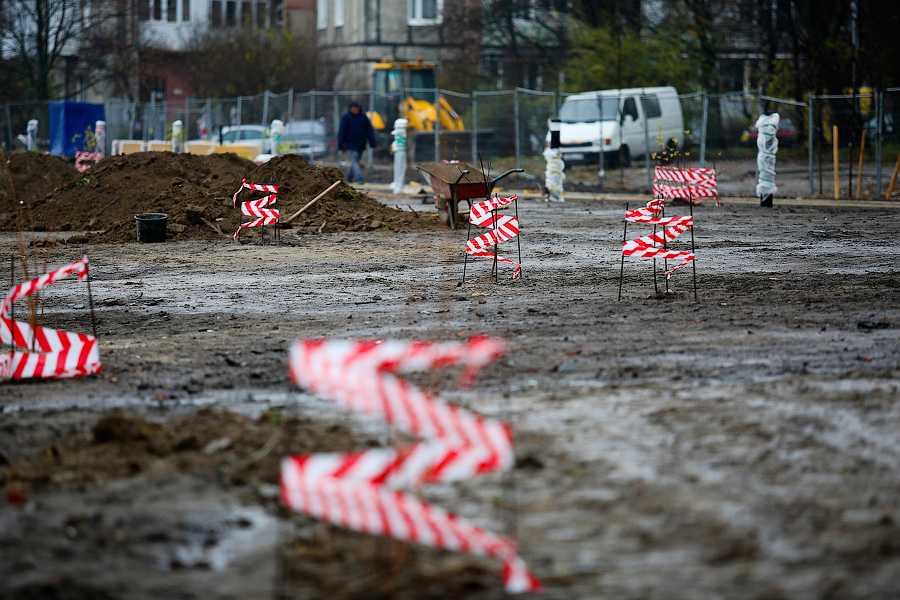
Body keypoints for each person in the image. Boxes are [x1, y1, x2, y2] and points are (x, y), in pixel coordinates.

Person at [337, 101, 377, 183]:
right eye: (353, 109)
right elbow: (342, 132)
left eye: (356, 109)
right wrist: (341, 144)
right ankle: (359, 178)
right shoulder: (346, 117)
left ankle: (348, 177)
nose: (355, 111)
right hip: (350, 144)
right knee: (355, 160)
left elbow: (369, 130)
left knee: (356, 161)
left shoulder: (363, 117)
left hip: (361, 144)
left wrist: (372, 141)